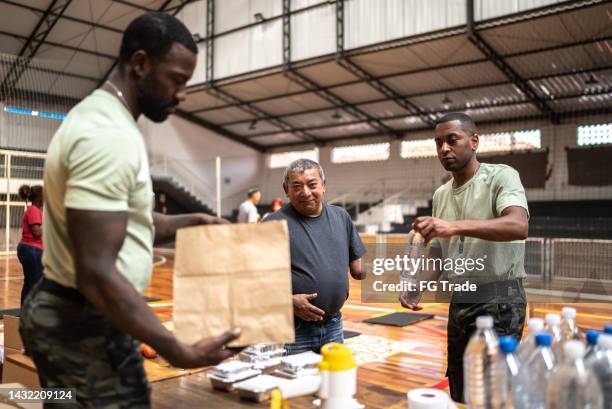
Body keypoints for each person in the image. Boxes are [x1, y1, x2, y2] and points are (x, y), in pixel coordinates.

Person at [19, 13, 240, 408]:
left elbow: (131, 224)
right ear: (140, 64)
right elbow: (96, 270)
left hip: (75, 317)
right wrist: (176, 349)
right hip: (81, 323)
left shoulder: (109, 122)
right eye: (177, 80)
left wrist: (196, 222)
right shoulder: (107, 135)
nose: (182, 94)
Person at [399, 112, 529, 403]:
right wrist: (418, 285)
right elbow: (438, 253)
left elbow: (518, 226)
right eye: (438, 143)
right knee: (458, 381)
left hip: (501, 300)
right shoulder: (441, 194)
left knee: (491, 391)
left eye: (452, 140)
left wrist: (454, 226)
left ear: (474, 141)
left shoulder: (501, 176)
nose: (444, 148)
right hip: (461, 300)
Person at [264, 159, 366, 355]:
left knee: (332, 382)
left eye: (312, 185)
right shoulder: (272, 225)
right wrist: (287, 301)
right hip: (294, 329)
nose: (306, 192)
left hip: (334, 325)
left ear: (324, 185)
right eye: (297, 186)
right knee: (295, 384)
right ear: (286, 189)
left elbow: (358, 270)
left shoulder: (341, 217)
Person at [16, 184, 44, 306]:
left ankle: (26, 314)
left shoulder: (32, 210)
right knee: (36, 285)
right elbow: (37, 232)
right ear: (39, 197)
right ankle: (34, 316)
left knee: (29, 283)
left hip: (29, 249)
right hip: (32, 249)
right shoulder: (34, 210)